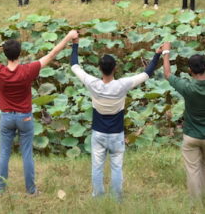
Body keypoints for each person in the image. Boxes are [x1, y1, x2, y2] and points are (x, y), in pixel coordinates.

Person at [0, 25, 79, 196]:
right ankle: (31, 191)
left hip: (6, 117)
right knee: (27, 154)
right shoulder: (28, 70)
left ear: (5, 55)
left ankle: (0, 190)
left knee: (4, 153)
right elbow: (52, 54)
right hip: (25, 117)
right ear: (20, 53)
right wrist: (69, 37)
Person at [70, 35, 161, 200]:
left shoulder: (93, 83)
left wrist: (75, 45)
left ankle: (98, 197)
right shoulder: (122, 85)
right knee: (116, 167)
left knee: (97, 167)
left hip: (98, 133)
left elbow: (75, 66)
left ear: (99, 69)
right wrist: (157, 54)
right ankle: (117, 199)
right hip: (116, 134)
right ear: (115, 68)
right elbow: (147, 73)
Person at [162, 42, 205, 199]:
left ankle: (196, 204)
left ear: (190, 70)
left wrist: (166, 51)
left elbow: (167, 74)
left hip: (191, 136)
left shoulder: (187, 87)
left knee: (193, 170)